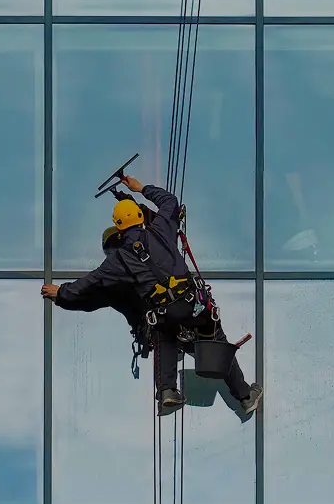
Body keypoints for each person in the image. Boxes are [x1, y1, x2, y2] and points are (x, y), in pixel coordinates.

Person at [41, 175, 263, 416]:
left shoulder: (116, 263)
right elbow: (170, 202)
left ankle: (167, 390)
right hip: (192, 306)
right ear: (140, 218)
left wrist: (61, 292)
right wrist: (140, 188)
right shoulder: (161, 229)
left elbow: (90, 283)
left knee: (165, 333)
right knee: (215, 341)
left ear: (117, 228)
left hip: (165, 316)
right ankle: (245, 396)